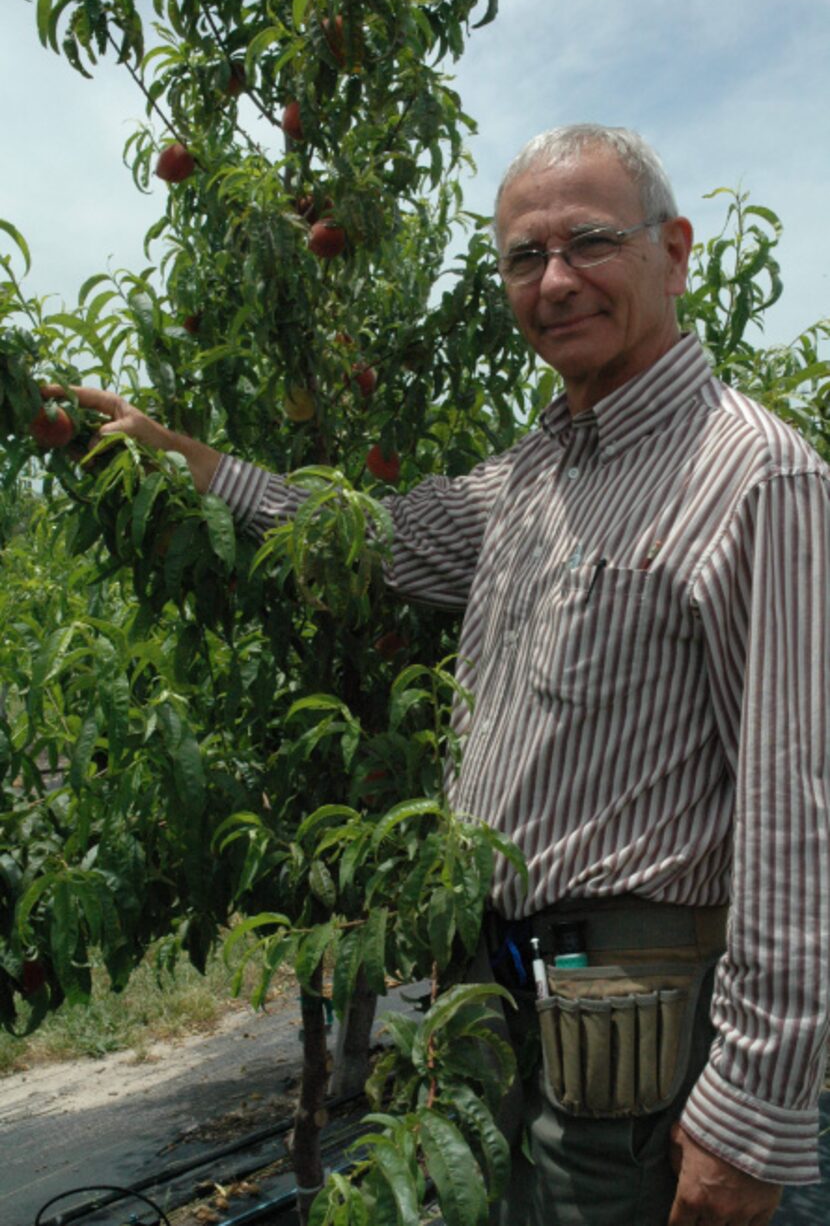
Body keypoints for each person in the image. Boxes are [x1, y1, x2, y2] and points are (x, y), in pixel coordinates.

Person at [55, 124, 828, 1226]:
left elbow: (800, 812)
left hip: (637, 1014)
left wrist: (754, 1107)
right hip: (502, 995)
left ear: (676, 250)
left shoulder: (755, 476)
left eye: (588, 243)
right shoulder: (529, 472)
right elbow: (366, 538)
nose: (553, 281)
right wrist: (187, 458)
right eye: (522, 257)